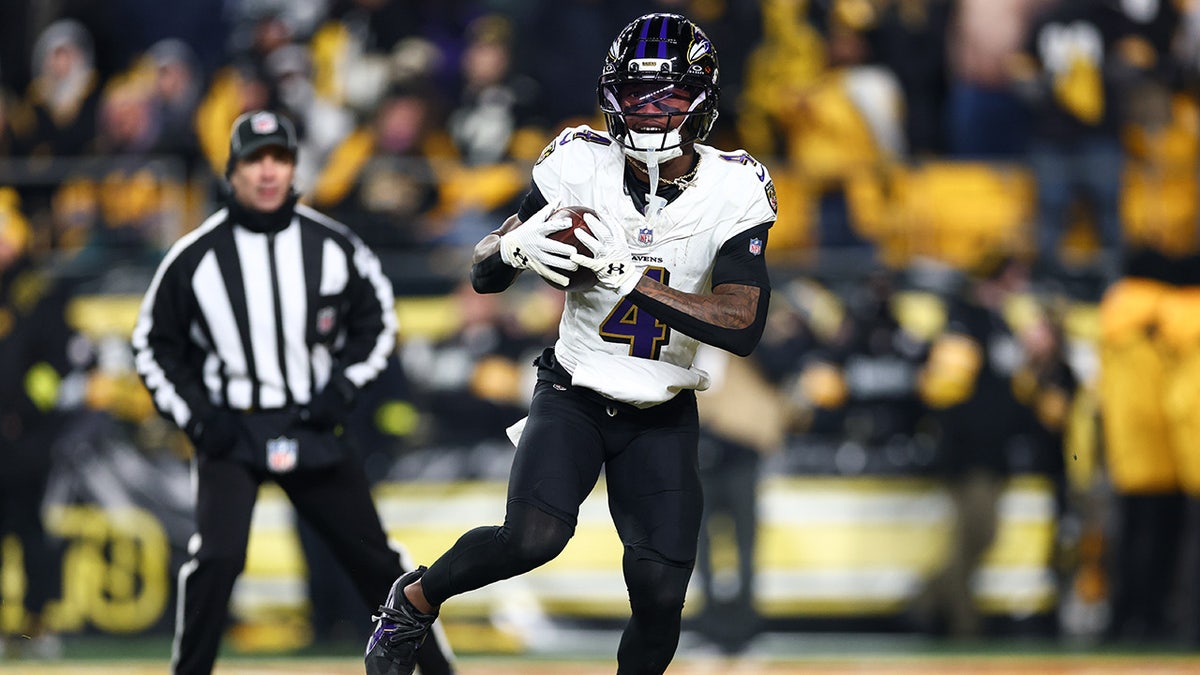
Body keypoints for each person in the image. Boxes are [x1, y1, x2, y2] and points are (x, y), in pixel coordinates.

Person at [364, 13, 778, 675]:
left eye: (668, 95)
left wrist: (629, 280)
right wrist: (511, 248)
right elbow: (483, 271)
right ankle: (413, 599)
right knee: (532, 536)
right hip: (575, 390)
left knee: (660, 593)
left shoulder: (733, 187)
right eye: (636, 95)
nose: (650, 112)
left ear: (702, 99)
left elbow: (742, 323)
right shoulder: (579, 162)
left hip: (662, 405)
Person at [130, 110, 455, 675]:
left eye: (278, 158)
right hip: (231, 430)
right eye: (254, 160)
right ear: (233, 171)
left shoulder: (332, 244)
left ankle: (438, 672)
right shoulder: (195, 255)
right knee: (217, 560)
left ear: (293, 167)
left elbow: (377, 322)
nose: (267, 172)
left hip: (311, 423)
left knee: (375, 561)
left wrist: (341, 388)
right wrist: (199, 416)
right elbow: (152, 344)